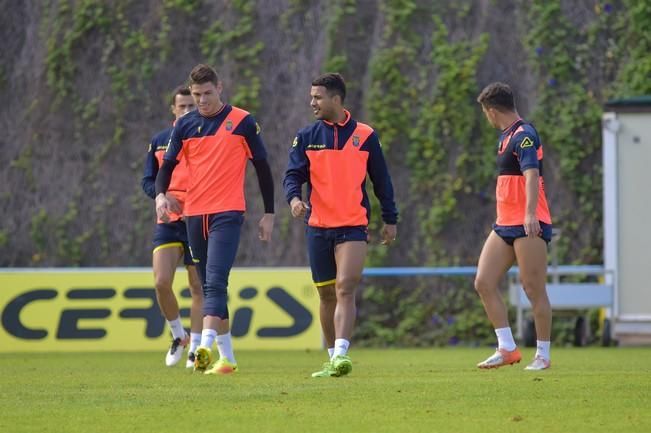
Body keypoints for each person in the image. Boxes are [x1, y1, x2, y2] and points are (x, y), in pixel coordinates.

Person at [155, 64, 274, 375]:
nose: (202, 100)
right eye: (197, 95)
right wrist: (160, 196)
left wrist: (269, 213)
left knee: (216, 279)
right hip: (194, 215)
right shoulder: (185, 126)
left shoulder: (242, 122)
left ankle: (203, 349)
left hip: (228, 212)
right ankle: (229, 358)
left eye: (207, 93)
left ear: (220, 88)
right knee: (210, 287)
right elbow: (165, 169)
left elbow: (262, 168)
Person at [283, 73, 398, 377]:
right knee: (326, 295)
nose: (312, 103)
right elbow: (292, 175)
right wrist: (294, 199)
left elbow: (381, 181)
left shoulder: (366, 135)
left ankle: (343, 354)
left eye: (318, 97)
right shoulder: (306, 136)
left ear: (336, 99)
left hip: (353, 226)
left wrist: (390, 219)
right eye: (311, 97)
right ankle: (332, 356)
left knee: (345, 287)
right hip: (318, 226)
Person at [474, 82, 553, 371]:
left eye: (485, 112)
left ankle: (543, 355)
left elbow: (532, 176)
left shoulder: (525, 135)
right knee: (483, 282)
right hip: (504, 224)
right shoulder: (505, 138)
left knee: (533, 287)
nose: (487, 117)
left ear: (492, 111)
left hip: (527, 223)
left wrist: (530, 214)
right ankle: (507, 347)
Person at [141, 85, 203, 368]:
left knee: (197, 286)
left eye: (192, 106)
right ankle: (179, 335)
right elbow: (148, 180)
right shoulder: (160, 141)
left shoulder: (205, 137)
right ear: (173, 109)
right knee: (161, 282)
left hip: (197, 218)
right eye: (183, 107)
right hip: (168, 221)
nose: (188, 111)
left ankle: (198, 347)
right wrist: (162, 197)